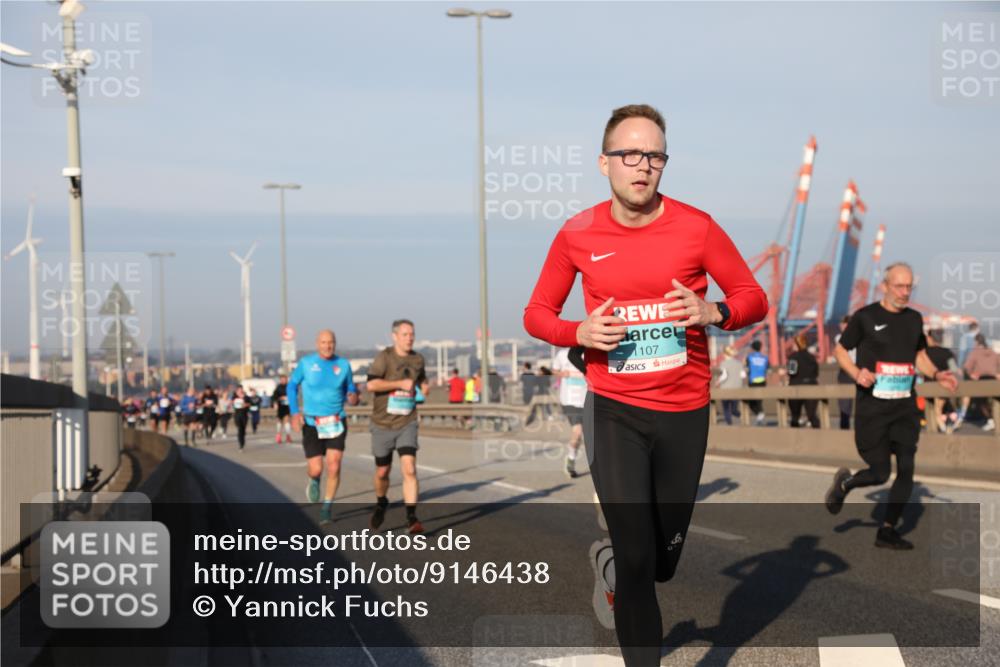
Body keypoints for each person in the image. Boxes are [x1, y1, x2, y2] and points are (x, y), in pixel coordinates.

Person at [523, 104, 768, 665]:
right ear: (604, 163)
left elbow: (753, 297)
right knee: (637, 558)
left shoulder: (696, 227)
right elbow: (536, 313)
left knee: (660, 561)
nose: (643, 166)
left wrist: (713, 312)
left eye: (655, 155)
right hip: (614, 410)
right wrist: (577, 330)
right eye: (630, 154)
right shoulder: (577, 233)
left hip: (684, 411)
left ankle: (612, 566)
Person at [825, 262, 958, 550]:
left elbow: (919, 355)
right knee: (880, 473)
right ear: (884, 286)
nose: (905, 292)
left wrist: (936, 374)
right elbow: (840, 349)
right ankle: (845, 485)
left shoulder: (914, 319)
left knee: (907, 468)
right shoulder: (865, 317)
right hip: (873, 408)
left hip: (905, 407)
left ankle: (887, 530)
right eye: (899, 286)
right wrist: (857, 372)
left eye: (909, 286)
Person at [287, 329, 359, 524]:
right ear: (317, 344)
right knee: (316, 469)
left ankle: (327, 507)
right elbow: (291, 386)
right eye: (324, 342)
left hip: (336, 420)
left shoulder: (343, 365)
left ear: (335, 344)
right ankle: (314, 480)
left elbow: (350, 388)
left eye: (331, 342)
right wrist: (294, 412)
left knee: (334, 465)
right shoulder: (307, 364)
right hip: (312, 422)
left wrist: (353, 395)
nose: (328, 346)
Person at [365, 319, 430, 535]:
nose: (409, 337)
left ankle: (412, 518)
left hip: (407, 421)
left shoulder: (418, 359)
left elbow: (421, 380)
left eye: (412, 334)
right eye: (405, 334)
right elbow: (371, 384)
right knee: (383, 472)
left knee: (409, 468)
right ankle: (382, 501)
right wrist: (398, 384)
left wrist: (424, 387)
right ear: (394, 336)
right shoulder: (384, 358)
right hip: (382, 423)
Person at [553, 347, 588, 478]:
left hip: (587, 399)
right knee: (577, 432)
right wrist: (562, 374)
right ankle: (571, 460)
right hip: (569, 400)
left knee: (590, 436)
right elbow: (554, 371)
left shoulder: (590, 352)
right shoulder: (563, 354)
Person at [962, 333, 999, 431]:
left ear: (976, 342)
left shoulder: (975, 352)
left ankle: (990, 420)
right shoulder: (993, 352)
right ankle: (995, 420)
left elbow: (967, 367)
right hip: (994, 381)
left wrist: (971, 375)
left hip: (982, 381)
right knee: (995, 401)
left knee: (982, 401)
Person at [924, 329, 959, 433]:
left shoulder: (924, 353)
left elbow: (917, 370)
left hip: (927, 386)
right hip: (944, 385)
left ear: (930, 338)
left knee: (931, 411)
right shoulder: (947, 352)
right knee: (942, 407)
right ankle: (945, 427)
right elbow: (954, 369)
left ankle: (935, 430)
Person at [786, 333, 820, 428]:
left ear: (797, 344)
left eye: (794, 344)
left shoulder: (793, 357)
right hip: (812, 386)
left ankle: (795, 438)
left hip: (796, 387)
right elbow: (816, 373)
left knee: (795, 416)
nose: (792, 346)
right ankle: (818, 435)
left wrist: (785, 372)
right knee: (812, 415)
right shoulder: (812, 357)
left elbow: (792, 372)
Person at [834, 315, 855, 430]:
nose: (841, 327)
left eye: (843, 324)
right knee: (844, 405)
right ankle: (844, 429)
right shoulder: (839, 338)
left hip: (858, 370)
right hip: (845, 372)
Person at [715, 345, 743, 425]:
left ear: (725, 354)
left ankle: (729, 423)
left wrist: (718, 382)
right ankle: (740, 415)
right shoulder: (739, 363)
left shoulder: (723, 363)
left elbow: (724, 375)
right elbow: (743, 375)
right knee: (734, 408)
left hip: (726, 388)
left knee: (726, 407)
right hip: (737, 388)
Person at [746, 340, 769, 424]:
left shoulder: (749, 357)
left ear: (752, 348)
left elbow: (747, 368)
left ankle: (760, 414)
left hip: (753, 381)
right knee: (759, 400)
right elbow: (767, 368)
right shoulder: (765, 358)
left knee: (751, 401)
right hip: (762, 381)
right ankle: (760, 415)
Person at [273, 375, 293, 443]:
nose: (284, 380)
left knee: (287, 421)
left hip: (287, 407)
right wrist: (278, 400)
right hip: (280, 406)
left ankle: (288, 435)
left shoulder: (290, 387)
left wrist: (288, 398)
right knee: (279, 421)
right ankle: (278, 435)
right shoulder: (278, 388)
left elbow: (294, 395)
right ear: (280, 380)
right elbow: (274, 397)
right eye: (282, 379)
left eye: (285, 379)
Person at [232, 386, 250, 451]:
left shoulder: (246, 397)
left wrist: (245, 404)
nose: (240, 391)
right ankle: (241, 444)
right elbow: (232, 403)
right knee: (239, 429)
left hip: (244, 415)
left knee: (243, 429)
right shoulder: (234, 396)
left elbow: (250, 404)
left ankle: (243, 440)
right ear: (237, 390)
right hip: (237, 415)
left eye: (241, 389)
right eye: (239, 390)